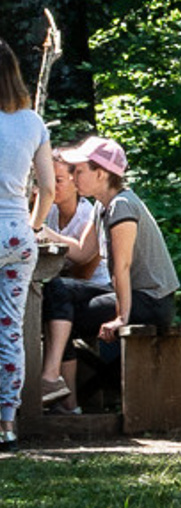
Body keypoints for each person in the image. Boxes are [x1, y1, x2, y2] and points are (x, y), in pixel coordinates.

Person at [59, 139, 181, 390]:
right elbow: (83, 252)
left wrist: (120, 318)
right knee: (56, 290)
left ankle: (73, 396)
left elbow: (122, 266)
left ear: (101, 173)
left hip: (151, 301)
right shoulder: (101, 207)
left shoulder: (122, 206)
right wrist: (38, 230)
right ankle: (59, 383)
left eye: (79, 171)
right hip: (129, 295)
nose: (73, 178)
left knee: (63, 318)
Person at [0, 42, 54, 449]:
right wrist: (33, 227)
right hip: (18, 234)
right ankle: (7, 424)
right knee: (11, 331)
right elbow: (48, 188)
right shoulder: (33, 122)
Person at [32, 150, 107, 411]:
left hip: (97, 290)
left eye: (59, 180)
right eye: (45, 180)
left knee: (53, 303)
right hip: (63, 291)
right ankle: (66, 402)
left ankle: (60, 395)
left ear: (76, 182)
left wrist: (42, 230)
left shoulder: (89, 215)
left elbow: (84, 270)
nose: (50, 186)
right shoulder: (49, 212)